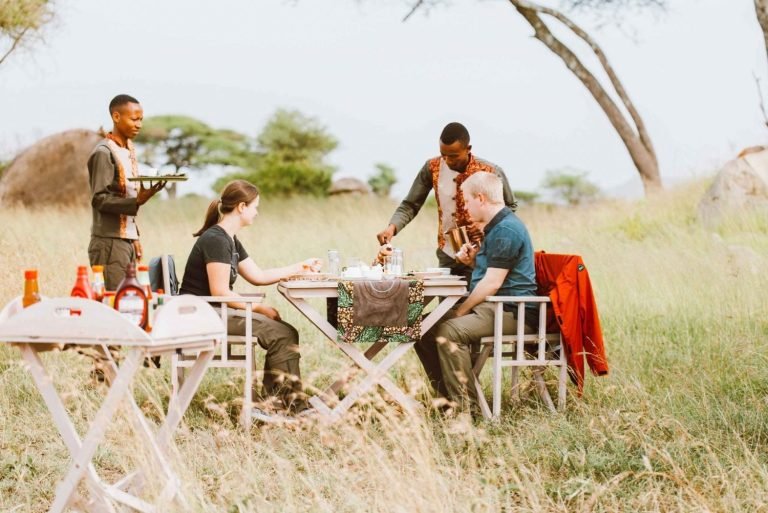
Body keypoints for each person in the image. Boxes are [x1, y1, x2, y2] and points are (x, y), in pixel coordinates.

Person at [179, 179, 321, 419]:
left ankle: (284, 402)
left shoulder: (230, 239)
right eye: (255, 206)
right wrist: (260, 308)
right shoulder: (216, 239)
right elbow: (220, 292)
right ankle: (279, 406)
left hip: (212, 311)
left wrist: (300, 267)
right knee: (281, 333)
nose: (257, 212)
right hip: (203, 315)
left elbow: (259, 276)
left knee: (285, 330)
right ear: (242, 207)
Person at [415, 172, 537, 418]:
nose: (465, 208)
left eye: (467, 201)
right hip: (492, 306)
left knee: (450, 330)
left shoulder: (506, 230)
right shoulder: (495, 229)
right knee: (423, 329)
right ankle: (448, 401)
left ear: (480, 198)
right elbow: (492, 274)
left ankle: (465, 410)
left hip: (512, 310)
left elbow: (493, 283)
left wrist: (461, 310)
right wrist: (472, 263)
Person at [376, 122, 517, 280]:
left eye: (454, 156)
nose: (448, 161)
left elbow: (509, 207)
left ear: (468, 149)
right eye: (443, 155)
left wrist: (487, 228)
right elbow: (411, 204)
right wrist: (392, 228)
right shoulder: (431, 167)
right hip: (448, 253)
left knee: (477, 301)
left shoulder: (491, 171)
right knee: (447, 302)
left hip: (482, 252)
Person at [87, 94, 165, 290]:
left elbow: (126, 196)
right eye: (133, 119)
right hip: (109, 242)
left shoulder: (128, 149)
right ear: (116, 116)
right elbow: (99, 199)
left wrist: (134, 237)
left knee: (129, 299)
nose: (138, 124)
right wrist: (137, 202)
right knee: (116, 301)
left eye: (141, 120)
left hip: (125, 241)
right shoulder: (104, 153)